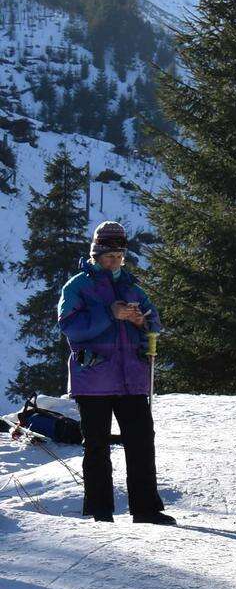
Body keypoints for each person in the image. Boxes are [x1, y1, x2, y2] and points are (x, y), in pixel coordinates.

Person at [59, 221, 170, 524]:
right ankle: (100, 512)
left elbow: (154, 324)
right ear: (95, 253)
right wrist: (111, 313)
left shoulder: (132, 287)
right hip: (93, 378)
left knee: (142, 441)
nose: (114, 260)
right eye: (108, 255)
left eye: (118, 255)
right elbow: (69, 326)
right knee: (96, 446)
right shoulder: (78, 285)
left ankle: (146, 509)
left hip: (132, 379)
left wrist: (140, 322)